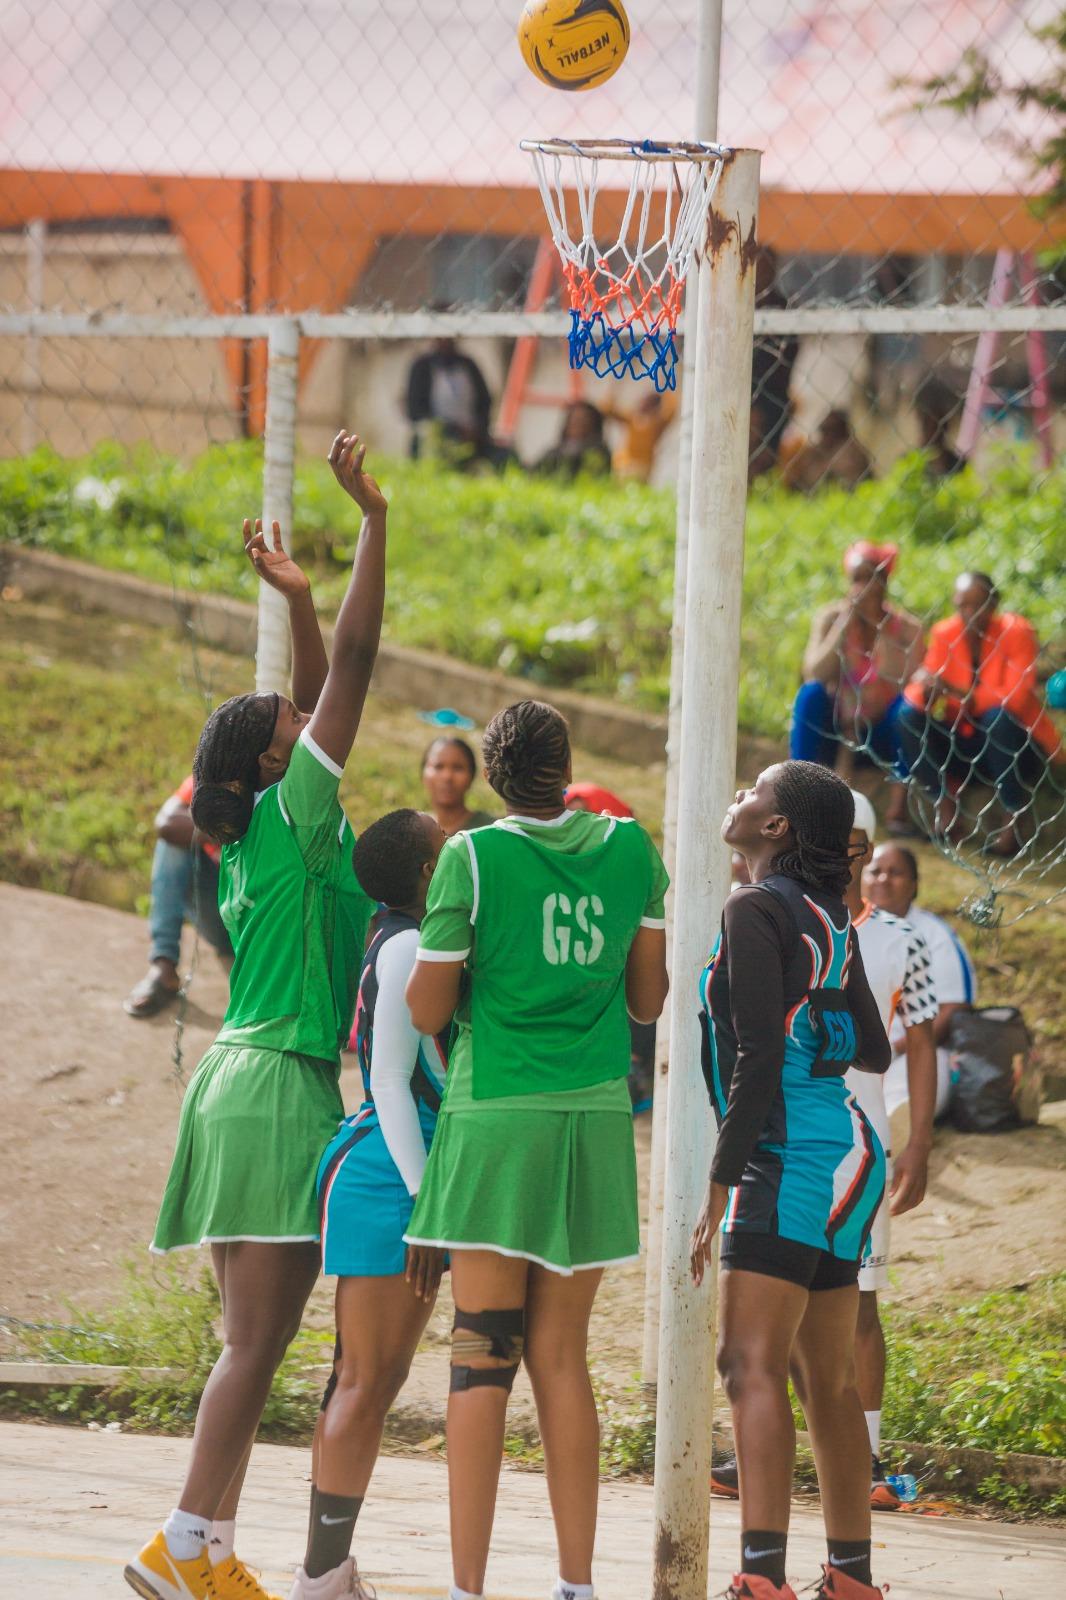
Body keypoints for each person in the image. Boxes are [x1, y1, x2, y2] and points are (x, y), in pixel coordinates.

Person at [126, 431, 386, 1600]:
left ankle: (212, 1550)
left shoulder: (256, 841)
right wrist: (371, 523)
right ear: (275, 756)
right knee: (253, 1345)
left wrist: (294, 595)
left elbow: (327, 692)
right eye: (292, 718)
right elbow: (356, 676)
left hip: (237, 1080)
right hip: (276, 1083)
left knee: (255, 1341)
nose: (310, 716)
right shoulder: (288, 828)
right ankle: (180, 1542)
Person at [403, 699, 669, 1600]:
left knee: (480, 1353)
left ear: (489, 775)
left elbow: (427, 1012)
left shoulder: (471, 859)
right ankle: (577, 1585)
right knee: (564, 1355)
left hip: (495, 1119)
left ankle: (470, 1588)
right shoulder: (632, 849)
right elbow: (646, 1003)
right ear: (568, 764)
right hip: (592, 1124)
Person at [691, 760, 891, 1600]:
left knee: (749, 1366)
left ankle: (760, 1580)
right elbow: (872, 1048)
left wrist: (717, 1184)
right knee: (827, 1379)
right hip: (850, 1154)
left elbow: (759, 1058)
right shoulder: (827, 917)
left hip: (791, 1156)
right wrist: (822, 1017)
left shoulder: (753, 909)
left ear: (775, 828)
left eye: (754, 790)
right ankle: (850, 1580)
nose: (738, 791)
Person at [289, 808, 448, 1600]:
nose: (455, 859)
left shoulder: (404, 936)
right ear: (425, 876)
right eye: (444, 852)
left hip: (394, 1168)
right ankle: (320, 1576)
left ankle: (328, 1569)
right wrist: (425, 1205)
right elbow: (388, 1079)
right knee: (364, 1381)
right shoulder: (412, 944)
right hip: (390, 1172)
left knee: (364, 1379)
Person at [842, 793, 938, 1512]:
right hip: (792, 1144)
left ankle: (867, 1460)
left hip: (865, 1146)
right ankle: (766, 1449)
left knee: (861, 1304)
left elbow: (925, 1040)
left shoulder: (902, 940)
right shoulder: (783, 920)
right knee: (775, 1305)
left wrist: (921, 1145)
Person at [899, 571, 1060, 856]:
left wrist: (959, 693)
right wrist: (926, 691)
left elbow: (1016, 698)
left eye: (978, 605)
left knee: (996, 717)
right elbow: (919, 688)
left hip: (1014, 745)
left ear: (994, 604)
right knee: (907, 716)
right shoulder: (944, 633)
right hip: (964, 741)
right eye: (962, 605)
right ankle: (945, 807)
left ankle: (1013, 821)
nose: (969, 613)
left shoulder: (1017, 632)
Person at [791, 541, 923, 832]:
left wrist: (881, 635)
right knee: (809, 695)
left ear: (884, 583)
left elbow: (908, 682)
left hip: (882, 731)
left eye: (871, 579)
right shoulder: (830, 618)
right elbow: (813, 671)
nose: (864, 587)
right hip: (837, 725)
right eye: (857, 579)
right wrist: (845, 626)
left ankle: (899, 808)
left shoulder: (907, 629)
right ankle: (796, 790)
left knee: (909, 710)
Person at [862, 843, 976, 1127]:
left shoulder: (933, 934)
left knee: (901, 1105)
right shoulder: (844, 928)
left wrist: (895, 1049)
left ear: (913, 885)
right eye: (875, 871)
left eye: (895, 872)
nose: (883, 879)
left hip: (917, 1051)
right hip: (857, 1056)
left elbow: (954, 1007)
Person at [124, 778, 233, 1018]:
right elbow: (167, 823)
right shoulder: (219, 768)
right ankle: (164, 967)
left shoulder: (285, 777)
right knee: (174, 843)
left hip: (263, 926)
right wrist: (222, 831)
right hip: (220, 916)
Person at [405, 330, 501, 469]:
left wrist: (477, 428)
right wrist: (451, 429)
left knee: (502, 455)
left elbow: (485, 402)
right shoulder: (422, 367)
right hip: (437, 436)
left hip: (472, 436)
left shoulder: (468, 365)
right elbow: (415, 410)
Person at [749, 246, 798, 477]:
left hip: (774, 392)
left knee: (770, 449)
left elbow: (791, 352)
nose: (762, 272)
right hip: (742, 388)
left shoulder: (781, 306)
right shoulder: (738, 302)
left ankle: (767, 481)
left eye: (767, 266)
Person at [781, 409, 872, 494]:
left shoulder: (850, 452)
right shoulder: (816, 450)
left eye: (830, 431)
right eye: (823, 431)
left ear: (841, 431)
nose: (826, 437)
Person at [422, 736, 496, 838]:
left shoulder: (490, 830)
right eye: (438, 766)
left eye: (458, 768)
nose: (447, 776)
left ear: (472, 776)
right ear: (423, 774)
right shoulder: (414, 831)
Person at [600, 389, 677, 482]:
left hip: (643, 465)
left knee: (635, 486)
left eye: (648, 403)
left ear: (655, 407)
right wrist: (611, 396)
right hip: (625, 463)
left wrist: (666, 390)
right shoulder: (632, 418)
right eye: (643, 402)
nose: (643, 405)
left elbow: (672, 410)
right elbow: (609, 411)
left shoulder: (657, 423)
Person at [535, 400, 612, 480]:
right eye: (572, 419)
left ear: (593, 425)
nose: (575, 424)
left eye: (582, 420)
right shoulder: (555, 451)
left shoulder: (598, 452)